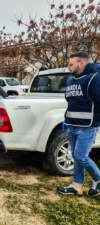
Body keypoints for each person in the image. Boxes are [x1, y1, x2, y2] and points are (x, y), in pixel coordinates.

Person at [57, 52, 100, 197]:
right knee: (76, 157)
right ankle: (77, 186)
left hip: (88, 127)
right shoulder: (70, 81)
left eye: (71, 64)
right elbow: (71, 102)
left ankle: (98, 179)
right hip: (71, 125)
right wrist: (66, 121)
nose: (68, 67)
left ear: (81, 63)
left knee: (80, 156)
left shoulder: (94, 78)